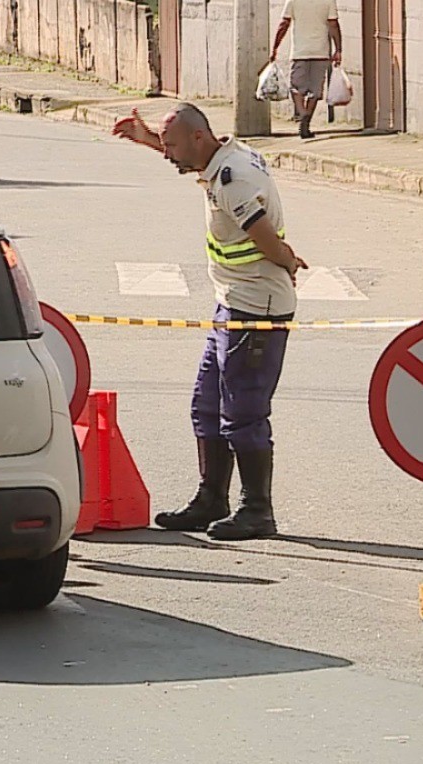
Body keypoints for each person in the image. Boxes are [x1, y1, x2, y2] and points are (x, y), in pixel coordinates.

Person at [112, 103, 306, 540]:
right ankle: (211, 498)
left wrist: (288, 260)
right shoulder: (223, 160)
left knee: (244, 412)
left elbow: (265, 240)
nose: (167, 155)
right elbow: (198, 166)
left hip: (256, 307)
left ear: (198, 139)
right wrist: (148, 139)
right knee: (208, 405)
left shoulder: (232, 180)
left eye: (171, 146)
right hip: (231, 303)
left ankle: (257, 510)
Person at [268, 0, 341, 140]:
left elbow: (284, 24)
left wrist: (275, 47)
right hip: (321, 51)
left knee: (296, 88)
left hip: (299, 52)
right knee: (315, 90)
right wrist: (338, 49)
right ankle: (306, 122)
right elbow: (333, 25)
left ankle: (303, 114)